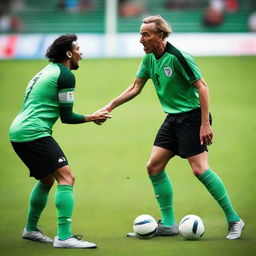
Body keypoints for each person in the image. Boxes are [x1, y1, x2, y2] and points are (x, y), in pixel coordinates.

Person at [97, 15, 244, 240]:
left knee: (199, 169)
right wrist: (110, 106)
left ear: (161, 36)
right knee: (154, 166)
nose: (141, 39)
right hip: (173, 119)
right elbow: (136, 86)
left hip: (193, 117)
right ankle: (168, 224)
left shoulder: (178, 57)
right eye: (140, 34)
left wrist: (205, 124)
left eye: (145, 35)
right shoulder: (148, 58)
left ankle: (234, 220)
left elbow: (203, 88)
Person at [9, 34, 111, 249]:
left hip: (19, 131)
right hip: (33, 133)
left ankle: (30, 229)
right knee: (67, 177)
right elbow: (67, 117)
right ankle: (64, 237)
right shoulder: (65, 75)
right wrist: (93, 117)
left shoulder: (47, 70)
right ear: (68, 53)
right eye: (78, 49)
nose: (81, 54)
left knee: (47, 180)